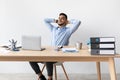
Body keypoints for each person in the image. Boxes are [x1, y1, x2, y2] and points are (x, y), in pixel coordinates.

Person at [29, 13, 81, 80]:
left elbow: (78, 22)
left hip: (60, 55)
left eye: (62, 18)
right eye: (59, 18)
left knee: (48, 59)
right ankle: (41, 77)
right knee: (31, 59)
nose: (60, 19)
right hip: (50, 53)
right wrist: (55, 20)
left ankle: (50, 78)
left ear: (66, 21)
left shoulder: (68, 31)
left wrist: (69, 22)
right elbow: (45, 20)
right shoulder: (53, 29)